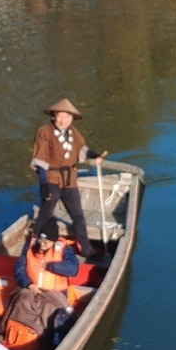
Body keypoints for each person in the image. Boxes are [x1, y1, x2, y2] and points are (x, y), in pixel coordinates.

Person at [30, 99, 105, 258]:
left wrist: (95, 154)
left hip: (69, 180)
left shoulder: (74, 134)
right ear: (54, 116)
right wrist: (44, 185)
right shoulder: (45, 132)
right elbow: (40, 159)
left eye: (67, 117)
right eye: (60, 116)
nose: (63, 120)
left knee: (78, 215)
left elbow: (82, 149)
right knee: (46, 212)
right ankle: (34, 244)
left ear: (71, 118)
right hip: (51, 178)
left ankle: (86, 249)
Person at [14, 219, 80, 290]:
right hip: (31, 289)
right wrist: (28, 284)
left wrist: (50, 266)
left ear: (53, 241)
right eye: (40, 240)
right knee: (23, 296)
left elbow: (73, 269)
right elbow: (19, 270)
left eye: (46, 242)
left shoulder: (65, 249)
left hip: (55, 292)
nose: (42, 244)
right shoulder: (29, 247)